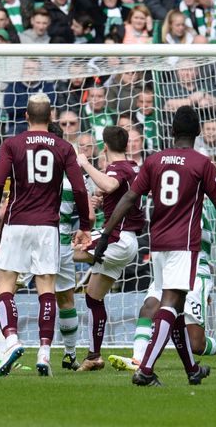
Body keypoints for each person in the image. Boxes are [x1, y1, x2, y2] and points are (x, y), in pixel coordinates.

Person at [93, 105, 216, 387]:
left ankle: (192, 369)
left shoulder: (154, 161)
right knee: (171, 304)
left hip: (157, 243)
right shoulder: (202, 163)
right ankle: (146, 370)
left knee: (174, 306)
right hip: (183, 244)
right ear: (198, 133)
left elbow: (128, 199)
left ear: (172, 131)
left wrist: (105, 234)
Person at [0, 93, 91, 377]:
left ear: (26, 116)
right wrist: (85, 224)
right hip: (49, 227)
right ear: (51, 116)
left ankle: (11, 339)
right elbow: (80, 189)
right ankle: (44, 353)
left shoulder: (12, 144)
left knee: (5, 285)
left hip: (18, 223)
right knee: (47, 289)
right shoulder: (63, 147)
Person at [108, 199, 216, 372]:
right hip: (169, 266)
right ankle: (138, 360)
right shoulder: (166, 197)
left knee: (196, 344)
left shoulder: (195, 203)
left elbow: (204, 240)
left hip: (194, 270)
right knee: (150, 305)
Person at [73, 126, 143, 371]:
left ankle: (15, 280)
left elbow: (112, 184)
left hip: (117, 238)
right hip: (126, 240)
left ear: (105, 146)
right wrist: (102, 200)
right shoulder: (133, 166)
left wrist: (85, 164)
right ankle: (94, 356)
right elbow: (117, 192)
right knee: (93, 297)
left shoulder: (118, 167)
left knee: (66, 251)